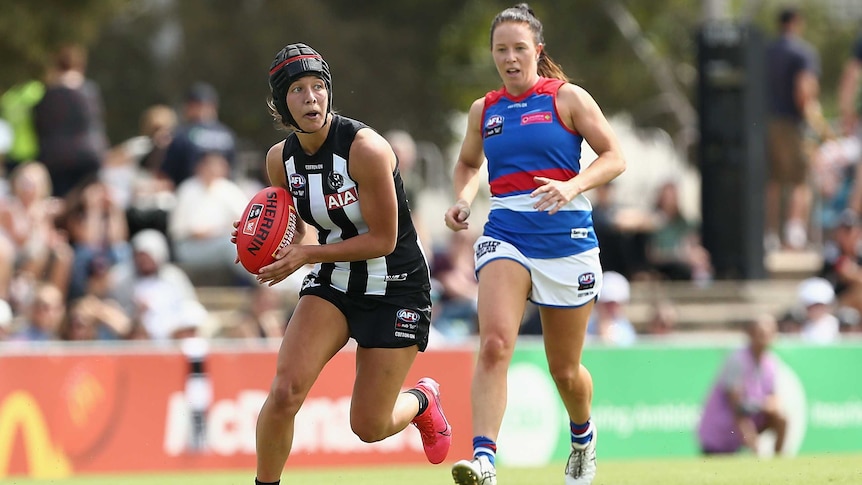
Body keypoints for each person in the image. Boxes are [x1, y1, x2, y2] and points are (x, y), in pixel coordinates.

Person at [237, 43, 451, 485]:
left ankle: (424, 401)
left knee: (368, 426)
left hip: (396, 286)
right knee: (284, 393)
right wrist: (260, 238)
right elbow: (295, 229)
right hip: (334, 283)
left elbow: (383, 239)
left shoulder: (366, 148)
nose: (311, 97)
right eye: (298, 90)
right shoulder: (279, 160)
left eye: (319, 87)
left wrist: (306, 254)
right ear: (282, 104)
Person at [443, 5, 626, 484]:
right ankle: (484, 460)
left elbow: (615, 156)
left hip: (567, 237)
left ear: (537, 52)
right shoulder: (485, 110)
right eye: (501, 49)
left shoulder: (567, 98)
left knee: (565, 372)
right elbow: (467, 163)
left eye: (519, 48)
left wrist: (573, 186)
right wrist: (463, 198)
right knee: (495, 344)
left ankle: (583, 438)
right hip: (507, 230)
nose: (510, 58)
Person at [764, 7, 831, 251]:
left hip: (764, 123)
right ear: (796, 23)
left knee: (771, 181)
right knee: (799, 180)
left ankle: (768, 233)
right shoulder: (803, 52)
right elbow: (804, 88)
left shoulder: (765, 52)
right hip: (792, 124)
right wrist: (813, 117)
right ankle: (794, 234)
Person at [697, 314, 787, 456]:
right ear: (750, 334)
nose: (766, 338)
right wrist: (755, 448)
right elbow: (737, 408)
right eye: (761, 334)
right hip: (720, 432)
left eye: (770, 333)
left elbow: (774, 401)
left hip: (746, 422)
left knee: (781, 417)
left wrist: (765, 406)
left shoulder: (770, 363)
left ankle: (779, 460)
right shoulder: (737, 361)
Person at [32, 43, 109, 198]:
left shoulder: (49, 93)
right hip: (90, 154)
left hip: (57, 157)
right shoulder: (89, 89)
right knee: (86, 202)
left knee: (60, 203)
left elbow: (40, 124)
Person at [161, 82, 237, 188]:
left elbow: (167, 175)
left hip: (189, 192)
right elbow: (233, 171)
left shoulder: (182, 134)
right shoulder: (227, 133)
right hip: (223, 191)